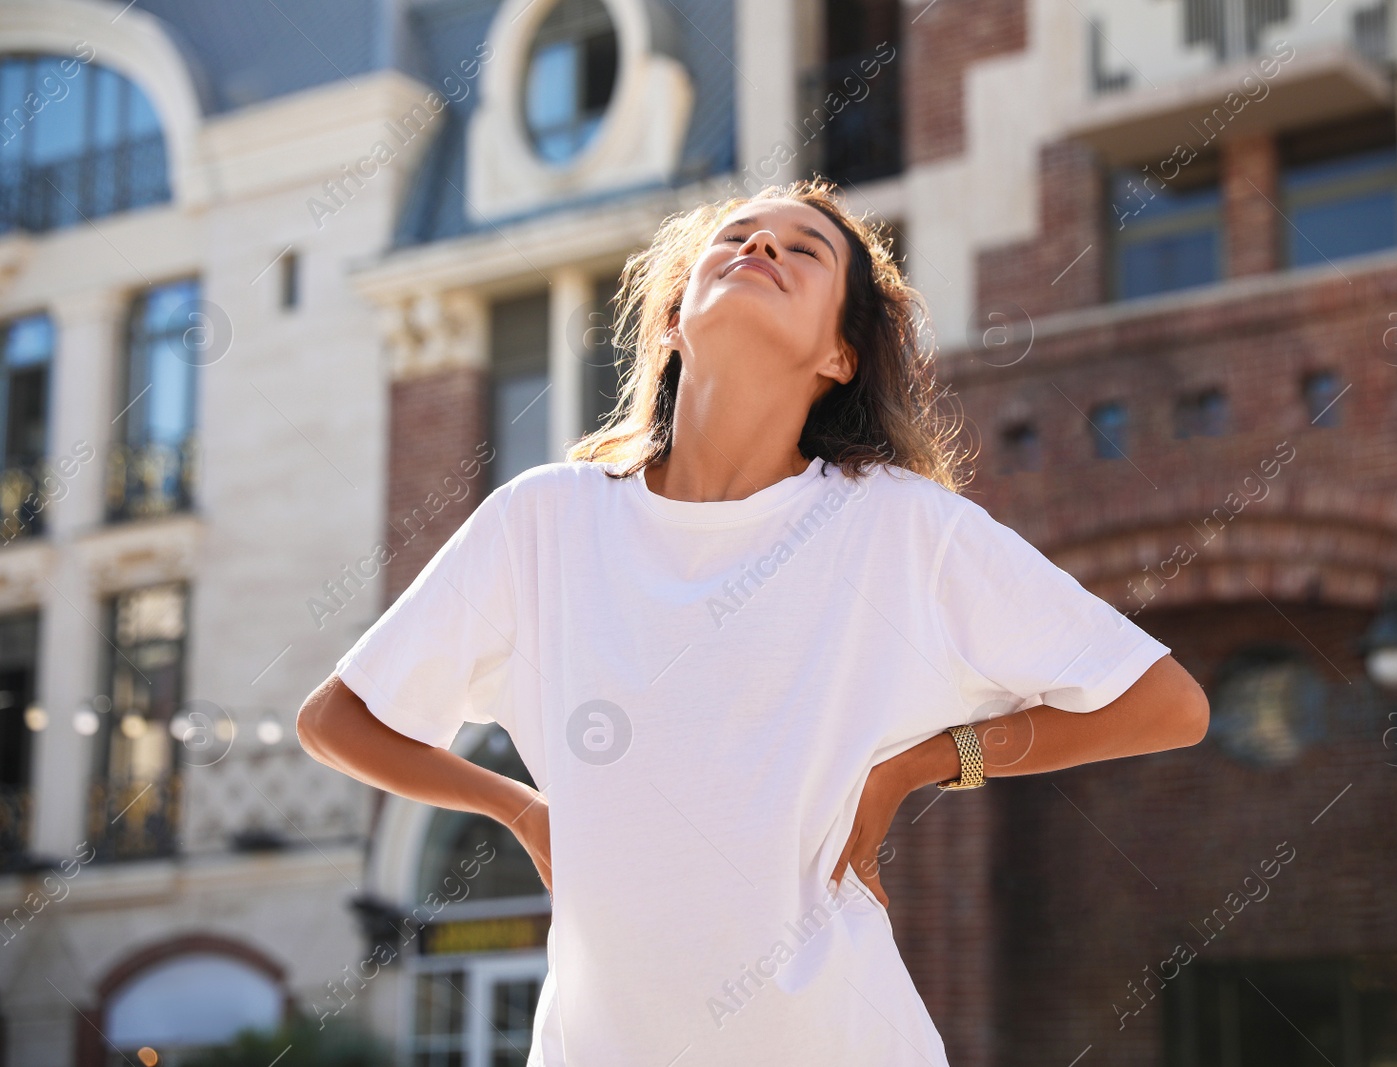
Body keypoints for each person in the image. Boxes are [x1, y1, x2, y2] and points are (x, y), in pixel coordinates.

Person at [297, 179, 1210, 1065]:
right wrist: (523, 810)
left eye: (802, 248)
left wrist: (923, 764)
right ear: (673, 319)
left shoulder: (900, 527)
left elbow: (1167, 705)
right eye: (731, 239)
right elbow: (338, 721)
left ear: (839, 355)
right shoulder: (544, 520)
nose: (758, 245)